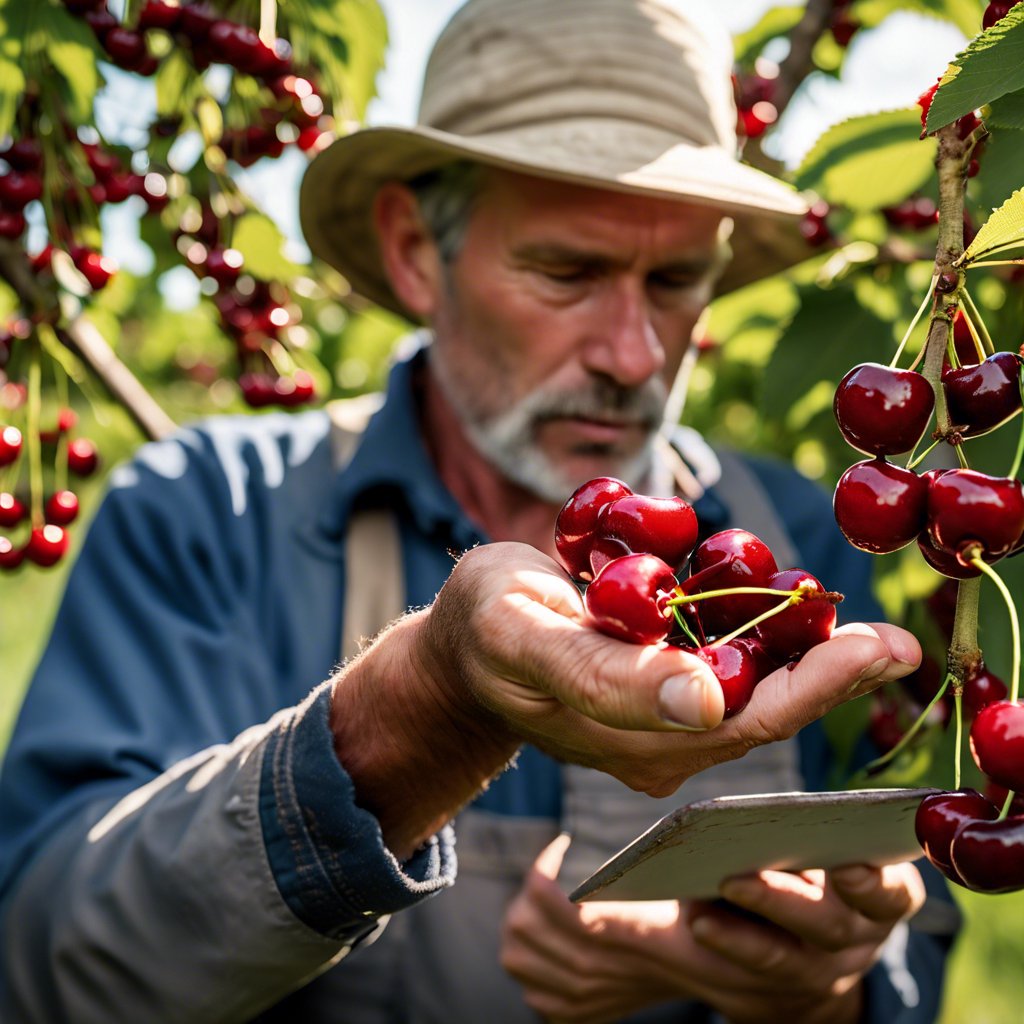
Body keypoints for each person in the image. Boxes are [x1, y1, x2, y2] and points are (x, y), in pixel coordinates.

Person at [0, 0, 953, 1021]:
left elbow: (917, 933)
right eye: (566, 271)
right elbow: (45, 960)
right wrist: (419, 710)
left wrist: (830, 988)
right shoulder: (214, 515)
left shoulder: (797, 542)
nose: (632, 354)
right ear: (416, 251)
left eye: (676, 280)